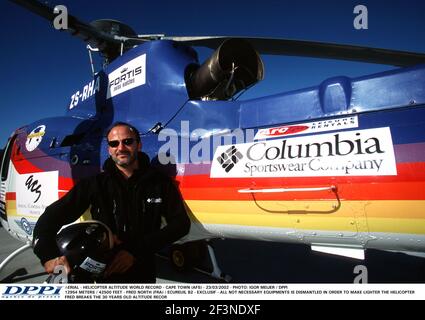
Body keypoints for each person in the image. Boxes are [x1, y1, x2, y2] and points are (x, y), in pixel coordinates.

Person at [33, 122, 191, 283]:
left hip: (144, 276)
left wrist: (135, 252)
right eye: (114, 143)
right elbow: (49, 219)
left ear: (139, 144)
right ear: (109, 149)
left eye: (127, 141)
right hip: (105, 278)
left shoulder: (160, 183)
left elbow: (181, 224)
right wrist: (48, 256)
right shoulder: (94, 184)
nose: (120, 148)